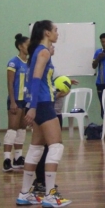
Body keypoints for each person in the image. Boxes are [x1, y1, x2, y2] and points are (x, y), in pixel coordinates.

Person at [16, 20, 72, 208]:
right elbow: (35, 79)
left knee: (36, 149)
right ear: (47, 33)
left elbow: (41, 81)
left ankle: (25, 193)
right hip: (43, 105)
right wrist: (32, 106)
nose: (58, 33)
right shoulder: (43, 52)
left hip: (41, 102)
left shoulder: (40, 52)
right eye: (55, 30)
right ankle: (50, 195)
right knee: (56, 147)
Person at [32, 46, 78, 197]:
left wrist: (65, 82)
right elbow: (42, 88)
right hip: (47, 110)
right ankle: (42, 183)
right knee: (47, 148)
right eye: (50, 45)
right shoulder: (41, 63)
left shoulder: (50, 65)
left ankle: (36, 186)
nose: (52, 47)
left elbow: (53, 82)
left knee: (44, 147)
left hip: (54, 111)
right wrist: (57, 95)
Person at [3, 34, 30, 172]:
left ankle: (18, 158)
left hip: (25, 100)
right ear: (20, 46)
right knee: (12, 129)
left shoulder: (30, 62)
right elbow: (10, 82)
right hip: (16, 100)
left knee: (22, 129)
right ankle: (7, 159)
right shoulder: (13, 62)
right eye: (28, 44)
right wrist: (12, 101)